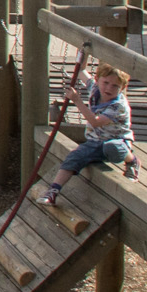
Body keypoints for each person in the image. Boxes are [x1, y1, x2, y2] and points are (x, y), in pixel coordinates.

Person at [34, 64, 134, 205]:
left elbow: (95, 121)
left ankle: (132, 160)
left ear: (122, 88)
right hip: (95, 142)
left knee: (112, 147)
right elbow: (81, 70)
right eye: (106, 83)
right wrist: (83, 54)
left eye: (115, 86)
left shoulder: (118, 106)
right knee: (73, 157)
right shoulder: (95, 88)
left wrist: (77, 100)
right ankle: (53, 191)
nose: (109, 88)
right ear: (97, 80)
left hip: (118, 141)